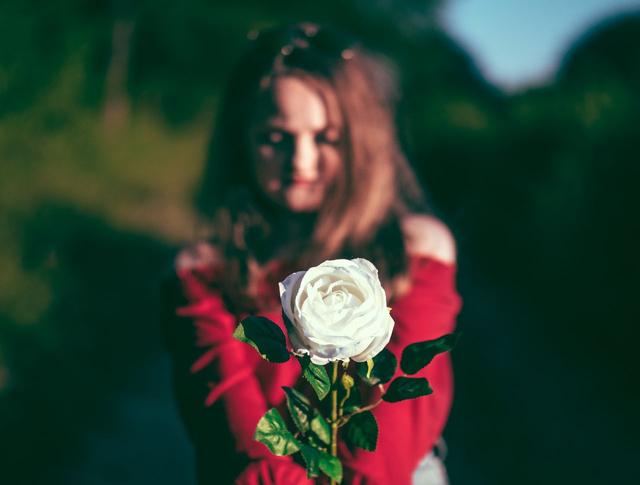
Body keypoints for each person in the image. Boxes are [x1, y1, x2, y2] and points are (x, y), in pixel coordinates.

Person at [162, 23, 461, 485]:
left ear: (362, 141)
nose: (301, 161)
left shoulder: (412, 252)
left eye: (326, 138)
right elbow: (242, 444)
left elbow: (383, 449)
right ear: (242, 139)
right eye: (276, 137)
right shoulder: (206, 271)